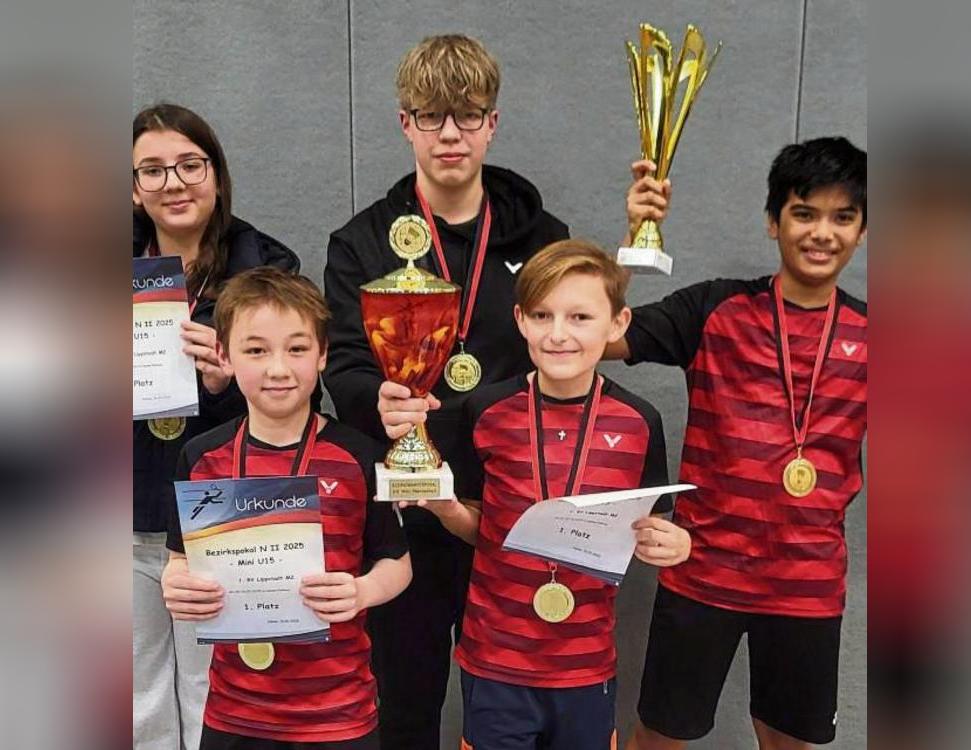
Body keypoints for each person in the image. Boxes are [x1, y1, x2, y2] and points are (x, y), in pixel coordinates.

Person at [322, 35, 570, 750]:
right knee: (406, 701)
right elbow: (341, 362)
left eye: (468, 115)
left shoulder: (543, 238)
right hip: (403, 507)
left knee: (516, 700)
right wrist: (380, 399)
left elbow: (564, 352)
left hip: (507, 500)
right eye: (432, 116)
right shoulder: (363, 241)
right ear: (406, 123)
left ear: (493, 122)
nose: (451, 133)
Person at [614, 136, 868, 750]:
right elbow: (592, 335)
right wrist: (634, 237)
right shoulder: (715, 309)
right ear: (772, 221)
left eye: (843, 217)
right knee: (661, 737)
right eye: (804, 213)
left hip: (806, 585)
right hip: (701, 572)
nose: (822, 232)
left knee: (787, 741)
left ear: (862, 230)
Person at [410, 240, 691, 750]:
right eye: (542, 315)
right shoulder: (486, 411)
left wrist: (675, 546)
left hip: (585, 666)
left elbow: (653, 533)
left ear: (618, 324)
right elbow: (482, 528)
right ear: (520, 320)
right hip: (494, 659)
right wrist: (445, 507)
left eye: (580, 317)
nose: (559, 334)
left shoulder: (639, 422)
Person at [161, 267, 412, 749]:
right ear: (224, 355)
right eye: (256, 350)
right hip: (235, 712)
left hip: (338, 713)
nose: (278, 368)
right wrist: (177, 588)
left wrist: (361, 591)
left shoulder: (357, 454)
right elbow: (178, 563)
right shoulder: (202, 457)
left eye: (297, 349)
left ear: (322, 356)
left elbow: (397, 563)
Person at [132, 103, 301, 750]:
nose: (173, 183)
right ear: (133, 189)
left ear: (218, 176)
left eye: (189, 165)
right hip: (121, 502)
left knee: (221, 688)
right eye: (152, 170)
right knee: (134, 693)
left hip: (232, 503)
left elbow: (299, 398)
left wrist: (234, 381)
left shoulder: (269, 270)